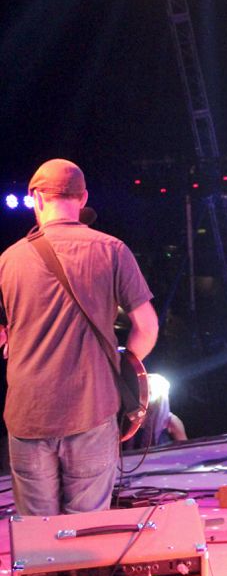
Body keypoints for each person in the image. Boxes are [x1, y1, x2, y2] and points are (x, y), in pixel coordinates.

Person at [0, 158, 158, 515]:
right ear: (83, 198)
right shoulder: (112, 250)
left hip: (29, 414)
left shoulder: (8, 260)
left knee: (38, 534)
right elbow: (147, 327)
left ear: (37, 198)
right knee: (86, 532)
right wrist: (122, 366)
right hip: (91, 410)